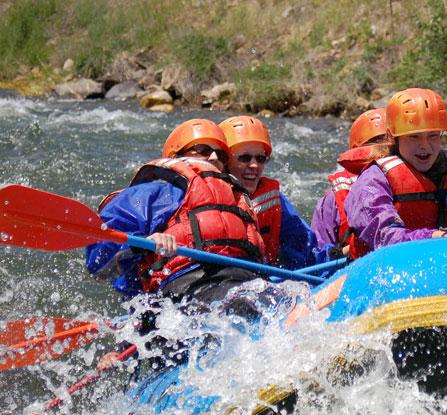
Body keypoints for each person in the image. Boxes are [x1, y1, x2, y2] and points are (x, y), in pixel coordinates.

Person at [86, 118, 265, 301]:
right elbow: (98, 261)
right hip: (187, 287)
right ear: (177, 156)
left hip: (247, 283)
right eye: (203, 150)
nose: (214, 158)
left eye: (221, 154)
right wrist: (143, 242)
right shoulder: (152, 193)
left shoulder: (238, 201)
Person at [343, 88, 447, 258]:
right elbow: (385, 239)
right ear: (394, 138)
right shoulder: (373, 180)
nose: (424, 145)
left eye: (432, 136)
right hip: (389, 268)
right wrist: (434, 237)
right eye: (414, 137)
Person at [218, 115, 318, 269]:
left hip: (264, 280)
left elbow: (306, 249)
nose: (254, 165)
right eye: (244, 158)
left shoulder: (275, 200)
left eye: (260, 158)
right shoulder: (206, 196)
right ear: (224, 161)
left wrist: (337, 255)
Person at [311, 108, 389, 254]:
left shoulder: (422, 179)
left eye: (387, 146)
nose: (381, 156)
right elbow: (318, 255)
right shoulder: (332, 201)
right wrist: (344, 252)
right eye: (375, 144)